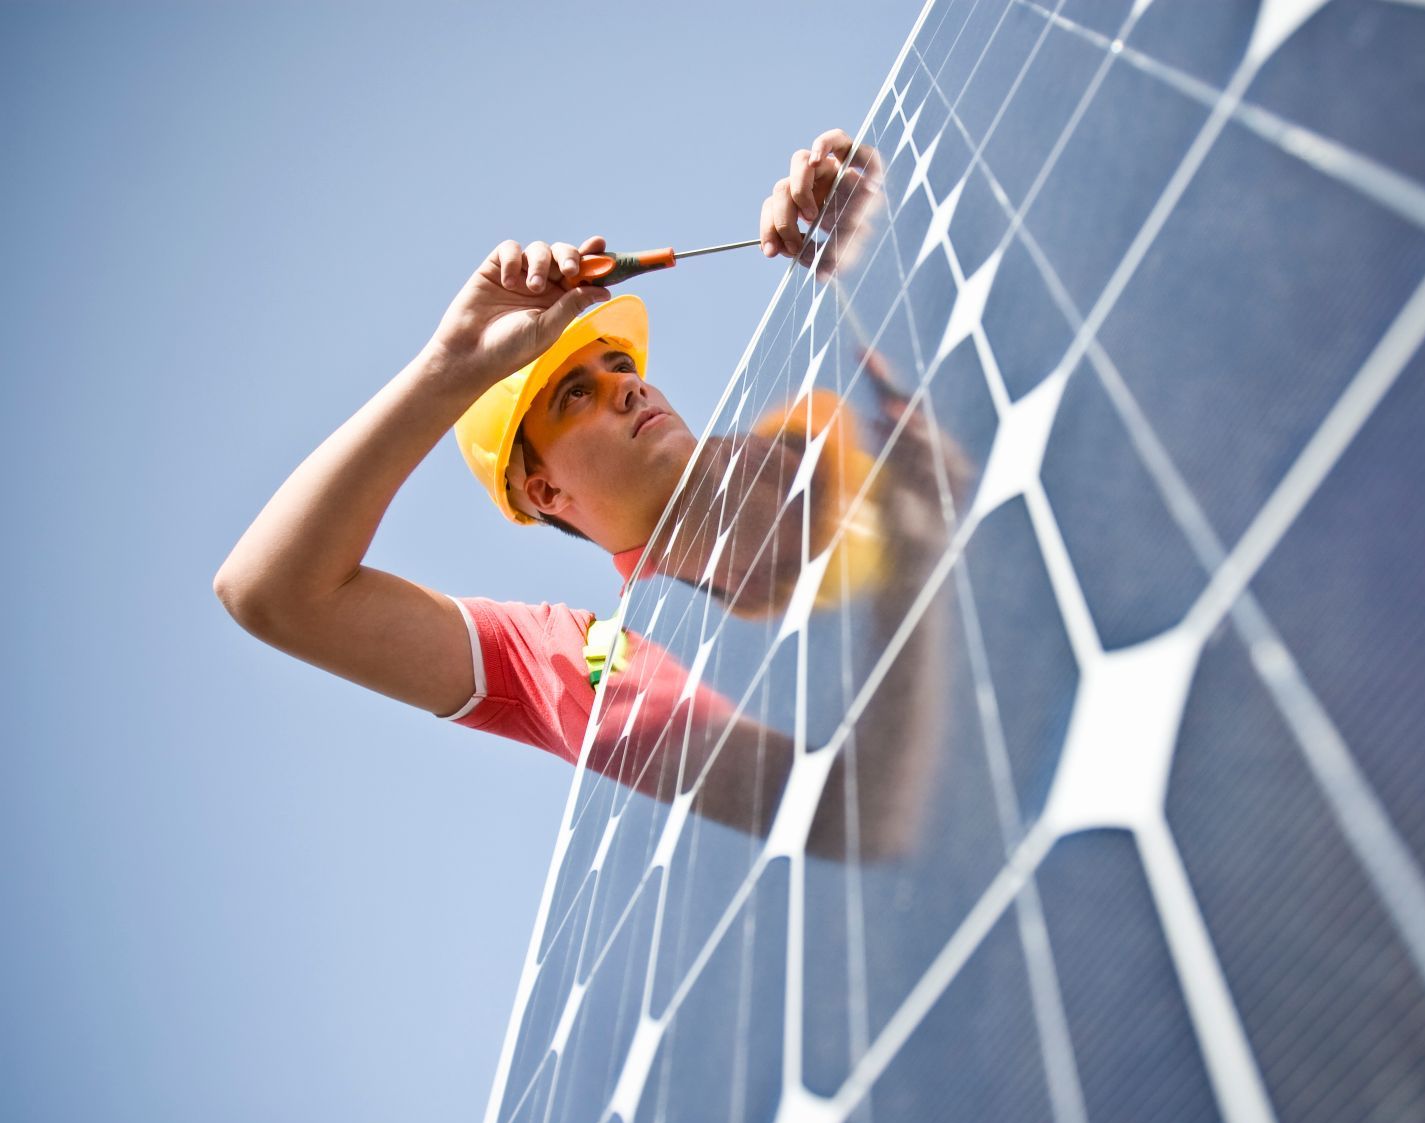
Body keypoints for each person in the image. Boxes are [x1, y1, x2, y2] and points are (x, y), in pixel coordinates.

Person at [214, 131, 955, 858]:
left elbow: (989, 357)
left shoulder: (819, 422)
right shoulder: (574, 661)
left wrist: (869, 242)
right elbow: (274, 593)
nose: (627, 385)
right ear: (542, 489)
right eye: (578, 393)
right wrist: (450, 367)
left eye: (621, 364)